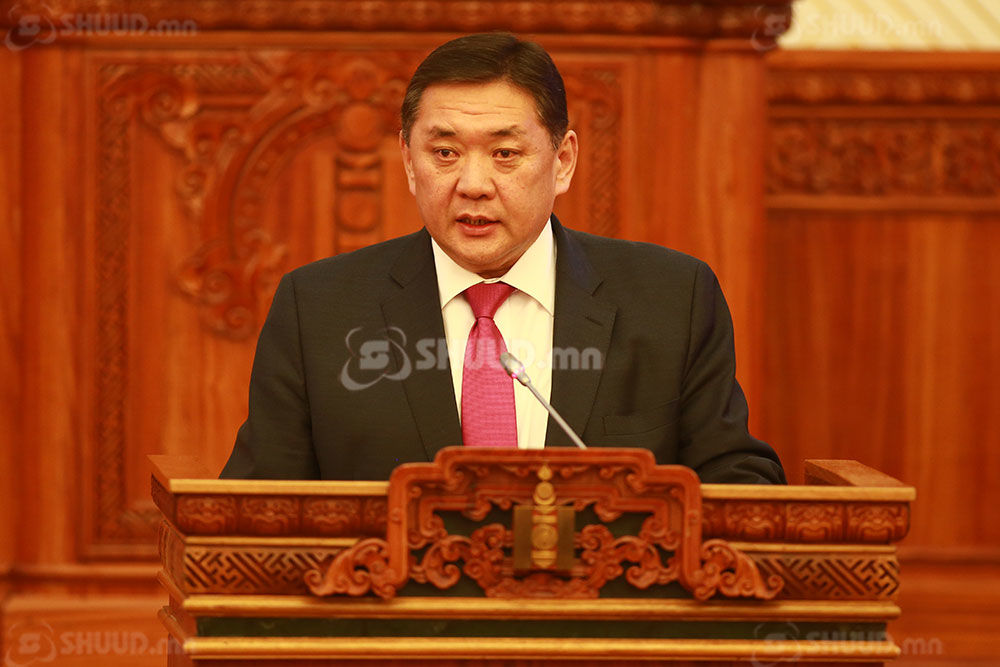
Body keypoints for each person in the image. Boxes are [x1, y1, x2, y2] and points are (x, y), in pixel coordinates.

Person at [221, 33, 785, 484]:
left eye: (505, 153)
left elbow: (738, 483)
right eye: (445, 152)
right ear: (409, 161)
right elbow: (256, 509)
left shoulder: (672, 299)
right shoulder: (318, 309)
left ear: (563, 161)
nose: (473, 184)